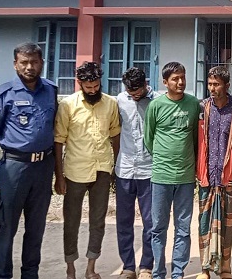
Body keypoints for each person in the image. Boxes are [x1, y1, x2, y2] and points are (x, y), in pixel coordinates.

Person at [0, 42, 58, 279]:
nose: (29, 67)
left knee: (36, 228)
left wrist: (58, 173)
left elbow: (56, 132)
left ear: (42, 63)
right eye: (24, 62)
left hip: (43, 168)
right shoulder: (3, 94)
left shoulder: (51, 91)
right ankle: (1, 275)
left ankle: (30, 274)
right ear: (15, 64)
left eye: (34, 62)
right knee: (7, 227)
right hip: (14, 168)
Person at [54, 61, 121, 279]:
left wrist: (116, 167)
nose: (92, 90)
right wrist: (59, 176)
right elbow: (59, 141)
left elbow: (115, 136)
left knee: (98, 221)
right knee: (71, 221)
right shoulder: (67, 105)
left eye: (96, 86)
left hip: (102, 169)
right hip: (75, 171)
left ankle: (91, 267)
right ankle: (70, 268)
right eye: (88, 87)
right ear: (80, 83)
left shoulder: (110, 103)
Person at [144, 62, 201, 279]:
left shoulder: (193, 104)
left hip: (186, 177)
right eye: (175, 79)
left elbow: (196, 138)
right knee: (158, 228)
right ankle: (158, 272)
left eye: (183, 77)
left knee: (183, 228)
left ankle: (178, 273)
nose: (180, 82)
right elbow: (149, 139)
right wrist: (163, 159)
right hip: (161, 177)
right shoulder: (156, 106)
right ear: (165, 82)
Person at [196, 66, 232, 279]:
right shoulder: (203, 107)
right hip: (207, 176)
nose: (212, 88)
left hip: (228, 177)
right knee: (204, 223)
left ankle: (225, 268)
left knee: (228, 225)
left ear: (227, 85)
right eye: (210, 84)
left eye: (217, 84)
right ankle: (204, 269)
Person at [115, 67, 159, 279]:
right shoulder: (119, 101)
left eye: (138, 91)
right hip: (124, 169)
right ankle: (128, 266)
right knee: (124, 221)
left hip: (149, 169)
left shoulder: (158, 101)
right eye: (130, 92)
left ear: (145, 84)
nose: (134, 95)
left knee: (151, 221)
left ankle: (146, 267)